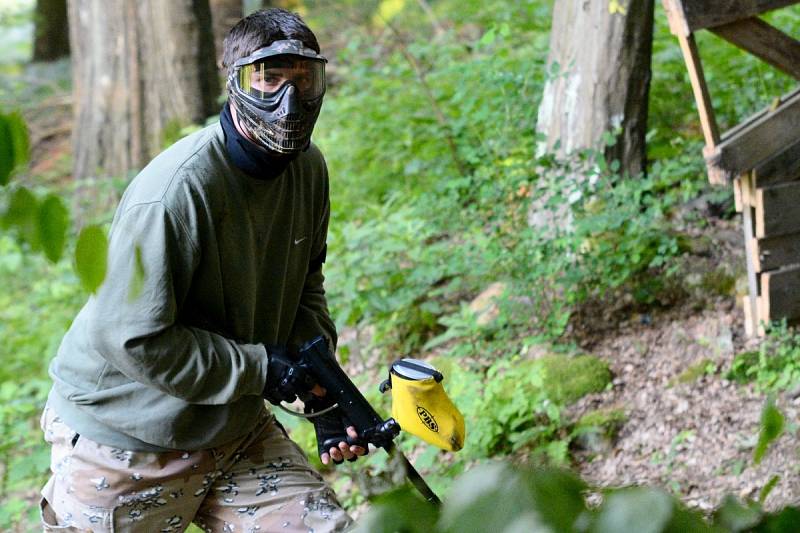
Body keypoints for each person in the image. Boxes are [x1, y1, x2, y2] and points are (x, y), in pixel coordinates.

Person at [39, 8, 363, 532]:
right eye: (268, 78)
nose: (288, 100)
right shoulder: (174, 193)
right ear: (234, 86)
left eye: (303, 79)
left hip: (233, 433)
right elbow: (132, 339)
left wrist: (322, 386)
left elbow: (304, 285)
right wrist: (261, 368)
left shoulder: (308, 169)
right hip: (124, 442)